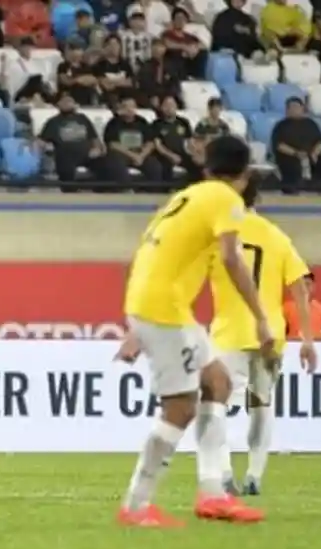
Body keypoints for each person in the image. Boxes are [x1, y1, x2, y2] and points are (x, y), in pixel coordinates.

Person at [114, 134, 270, 527]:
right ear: (245, 172)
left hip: (157, 304)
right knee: (180, 406)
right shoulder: (226, 199)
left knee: (218, 382)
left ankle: (213, 494)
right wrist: (261, 316)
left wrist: (137, 323)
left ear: (207, 166)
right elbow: (232, 259)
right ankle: (136, 504)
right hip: (164, 309)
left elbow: (149, 255)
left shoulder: (185, 197)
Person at [207, 179, 317, 497]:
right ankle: (254, 474)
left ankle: (224, 472)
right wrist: (307, 339)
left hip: (229, 333)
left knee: (215, 404)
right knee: (261, 404)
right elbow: (300, 288)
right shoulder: (275, 235)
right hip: (271, 336)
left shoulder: (218, 236)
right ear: (257, 198)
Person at [36, 92, 107, 188]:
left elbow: (94, 137)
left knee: (107, 162)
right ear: (58, 104)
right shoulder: (53, 122)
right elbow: (41, 141)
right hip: (66, 156)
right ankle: (70, 191)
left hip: (88, 155)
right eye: (64, 101)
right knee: (65, 163)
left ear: (74, 104)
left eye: (69, 101)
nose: (67, 103)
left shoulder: (83, 118)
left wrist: (97, 148)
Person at [271, 97, 321, 189]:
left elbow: (320, 142)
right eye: (292, 107)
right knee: (293, 168)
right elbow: (279, 145)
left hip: (312, 155)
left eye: (297, 107)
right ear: (287, 110)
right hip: (290, 157)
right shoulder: (281, 126)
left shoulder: (311, 124)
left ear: (302, 108)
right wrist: (296, 153)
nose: (295, 110)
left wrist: (315, 153)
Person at [104, 95, 163, 185]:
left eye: (132, 106)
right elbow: (112, 144)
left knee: (154, 165)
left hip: (140, 153)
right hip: (123, 154)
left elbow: (150, 142)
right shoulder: (114, 123)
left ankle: (153, 189)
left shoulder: (142, 122)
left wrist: (141, 155)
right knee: (116, 163)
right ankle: (126, 189)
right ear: (121, 108)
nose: (130, 109)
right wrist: (133, 155)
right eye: (126, 107)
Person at [151, 95, 200, 181]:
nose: (169, 108)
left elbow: (190, 141)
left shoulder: (184, 122)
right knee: (164, 166)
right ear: (162, 108)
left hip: (182, 153)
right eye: (166, 105)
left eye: (172, 105)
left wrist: (195, 153)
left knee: (197, 164)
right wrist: (171, 156)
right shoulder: (156, 124)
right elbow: (158, 145)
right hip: (164, 155)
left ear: (176, 106)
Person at [93, 35, 136, 108]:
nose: (114, 47)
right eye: (111, 45)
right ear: (105, 47)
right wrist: (121, 82)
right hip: (108, 96)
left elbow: (130, 82)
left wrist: (113, 82)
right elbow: (105, 85)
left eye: (116, 44)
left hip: (126, 95)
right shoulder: (99, 65)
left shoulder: (125, 64)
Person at [56, 42, 99, 107]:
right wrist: (78, 80)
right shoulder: (63, 66)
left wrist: (76, 80)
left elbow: (92, 80)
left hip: (86, 94)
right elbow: (65, 81)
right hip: (69, 94)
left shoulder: (86, 66)